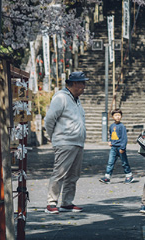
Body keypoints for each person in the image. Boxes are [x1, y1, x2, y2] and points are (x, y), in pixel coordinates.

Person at [44, 71, 89, 214]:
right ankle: (51, 202)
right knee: (60, 173)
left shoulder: (76, 99)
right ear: (74, 84)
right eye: (82, 83)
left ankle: (67, 202)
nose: (84, 86)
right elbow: (49, 119)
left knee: (73, 175)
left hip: (78, 142)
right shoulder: (61, 97)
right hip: (65, 141)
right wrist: (54, 136)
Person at [99, 108, 134, 184]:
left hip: (120, 147)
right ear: (112, 117)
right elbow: (111, 134)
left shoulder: (122, 126)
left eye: (119, 115)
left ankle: (129, 175)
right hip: (113, 147)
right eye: (116, 115)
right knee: (110, 162)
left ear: (121, 116)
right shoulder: (112, 126)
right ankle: (107, 177)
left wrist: (123, 147)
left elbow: (124, 138)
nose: (117, 117)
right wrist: (110, 141)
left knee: (124, 162)